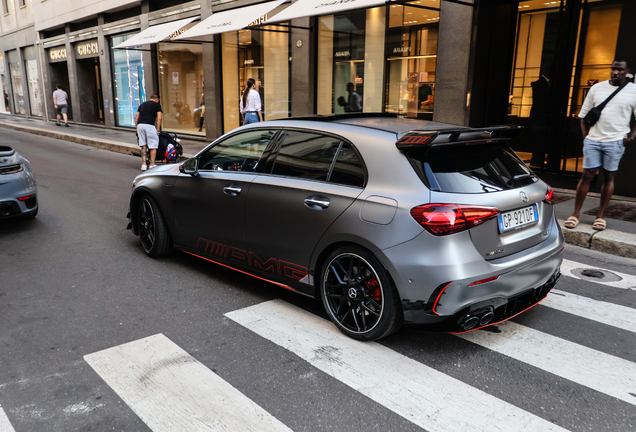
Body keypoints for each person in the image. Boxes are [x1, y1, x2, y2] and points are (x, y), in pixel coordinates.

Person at [565, 58, 636, 231]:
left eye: (619, 70)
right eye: (613, 69)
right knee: (587, 175)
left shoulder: (633, 91)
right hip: (594, 140)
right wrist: (586, 138)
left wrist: (630, 138)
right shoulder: (596, 88)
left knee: (608, 177)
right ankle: (575, 214)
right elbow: (583, 116)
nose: (615, 72)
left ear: (627, 71)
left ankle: (600, 216)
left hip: (616, 141)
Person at [134, 93, 163, 171]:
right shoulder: (157, 105)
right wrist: (158, 129)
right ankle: (152, 164)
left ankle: (144, 164)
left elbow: (136, 117)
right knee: (153, 145)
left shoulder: (142, 104)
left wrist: (137, 128)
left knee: (143, 145)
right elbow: (159, 118)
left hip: (140, 125)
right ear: (157, 99)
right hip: (149, 125)